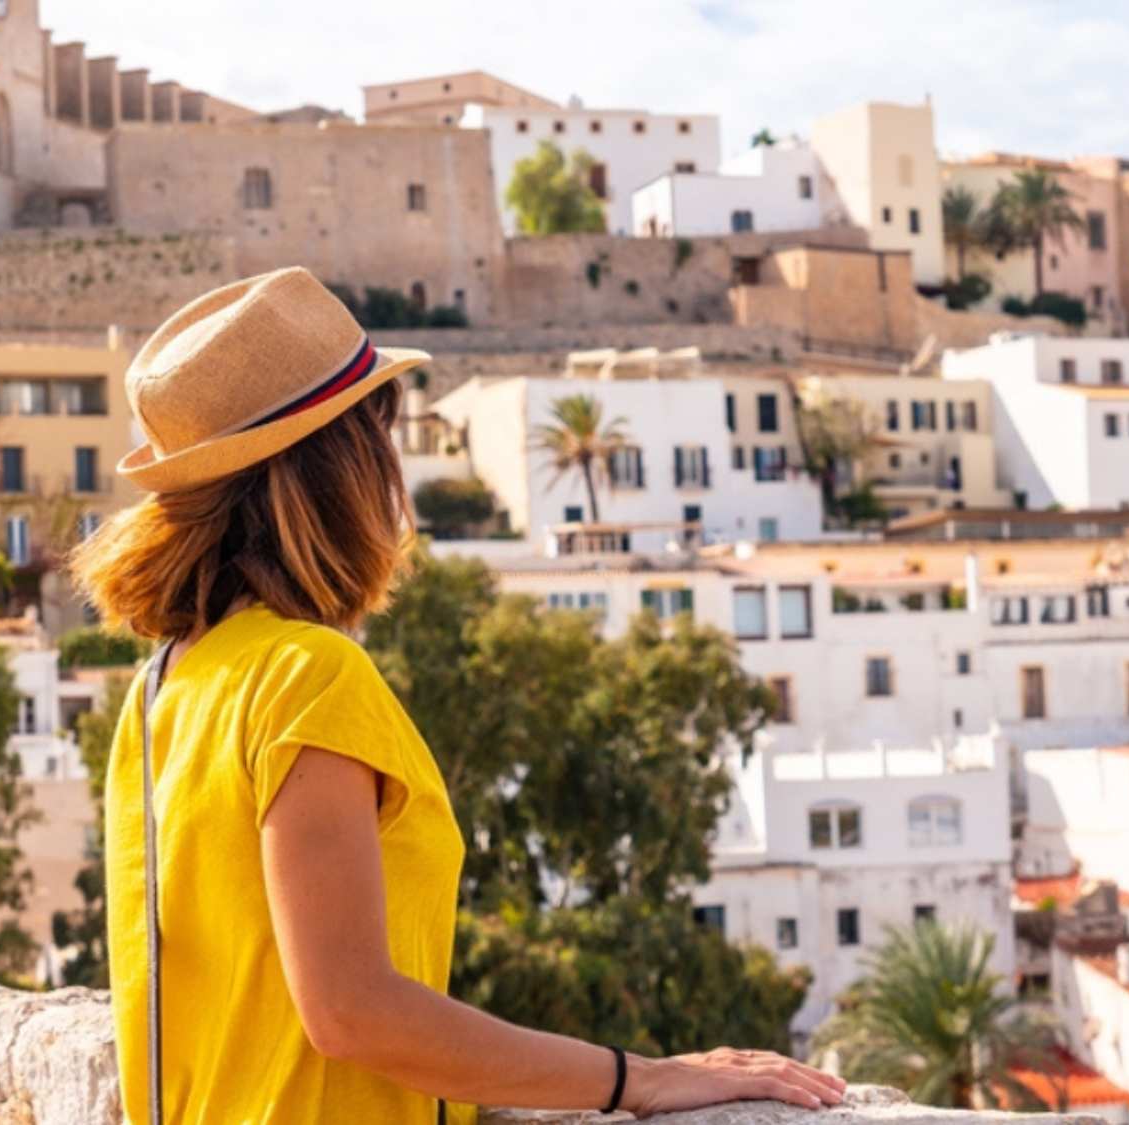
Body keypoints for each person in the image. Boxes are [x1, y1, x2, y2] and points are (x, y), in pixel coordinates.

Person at [70, 267, 845, 1125]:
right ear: (342, 465)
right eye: (381, 430)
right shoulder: (304, 675)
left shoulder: (162, 689)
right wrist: (642, 1078)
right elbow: (351, 1011)